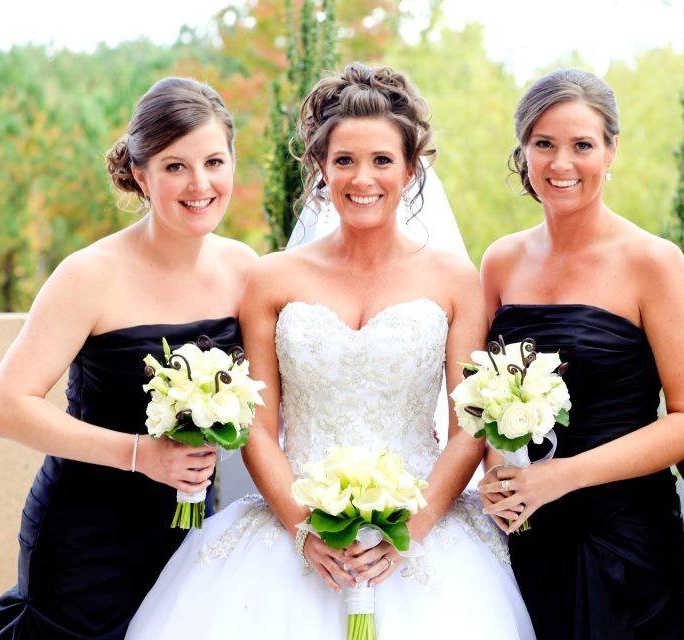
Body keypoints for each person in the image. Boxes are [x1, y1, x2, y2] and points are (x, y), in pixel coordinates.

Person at [126, 63, 534, 639]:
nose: (362, 178)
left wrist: (410, 532)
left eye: (382, 160)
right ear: (320, 167)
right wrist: (303, 530)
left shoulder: (455, 280)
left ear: (412, 168)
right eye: (344, 161)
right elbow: (260, 429)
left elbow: (470, 427)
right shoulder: (271, 278)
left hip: (422, 532)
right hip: (293, 528)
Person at [0, 77, 256, 639]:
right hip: (86, 539)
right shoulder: (89, 275)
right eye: (175, 166)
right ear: (140, 173)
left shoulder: (244, 268)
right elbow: (7, 406)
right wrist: (141, 454)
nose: (200, 183)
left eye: (214, 161)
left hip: (193, 533)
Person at [479, 68, 684, 640]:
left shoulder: (653, 262)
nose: (561, 164)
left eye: (582, 145)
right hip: (525, 532)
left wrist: (563, 477)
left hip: (623, 533)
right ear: (523, 152)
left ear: (610, 150)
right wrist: (497, 476)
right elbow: (480, 400)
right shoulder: (500, 261)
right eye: (544, 144)